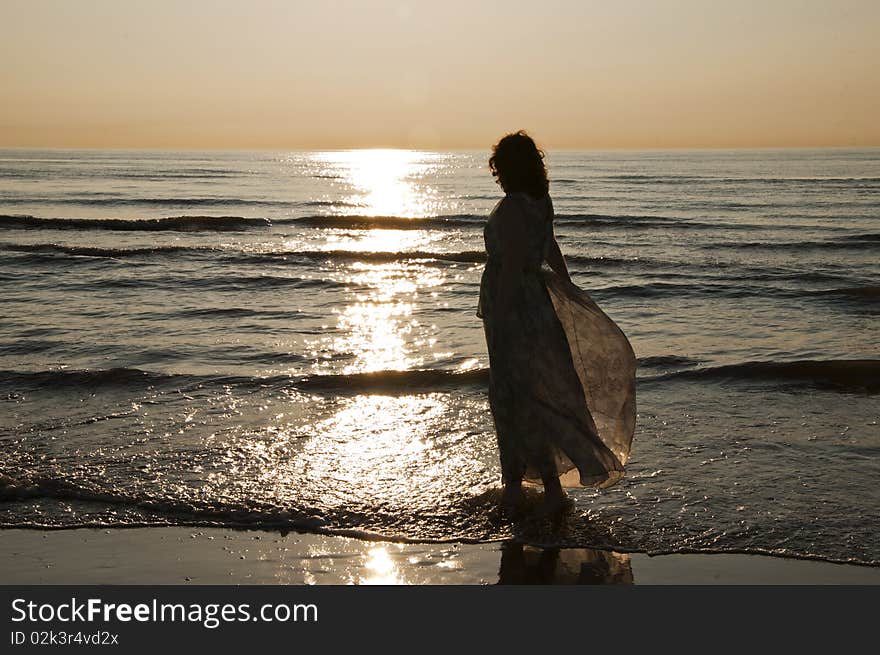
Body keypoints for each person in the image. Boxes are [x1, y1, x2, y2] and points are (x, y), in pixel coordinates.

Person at [477, 131, 637, 514]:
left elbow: (514, 265)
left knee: (511, 397)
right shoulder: (540, 201)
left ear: (508, 167)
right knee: (540, 393)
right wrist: (567, 287)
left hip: (514, 307)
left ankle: (514, 486)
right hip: (536, 303)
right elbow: (549, 246)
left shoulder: (514, 207)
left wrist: (500, 317)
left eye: (499, 165)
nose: (496, 172)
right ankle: (550, 488)